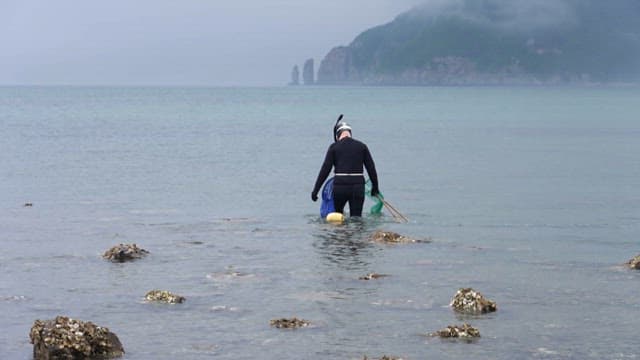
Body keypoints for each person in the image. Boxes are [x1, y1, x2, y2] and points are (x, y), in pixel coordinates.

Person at [311, 120, 380, 217]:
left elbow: (325, 170)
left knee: (338, 218)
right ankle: (357, 232)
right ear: (350, 133)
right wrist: (375, 188)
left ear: (337, 136)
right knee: (356, 219)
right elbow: (371, 168)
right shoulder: (362, 146)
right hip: (358, 186)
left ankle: (342, 231)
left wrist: (315, 191)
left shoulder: (334, 147)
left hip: (340, 186)